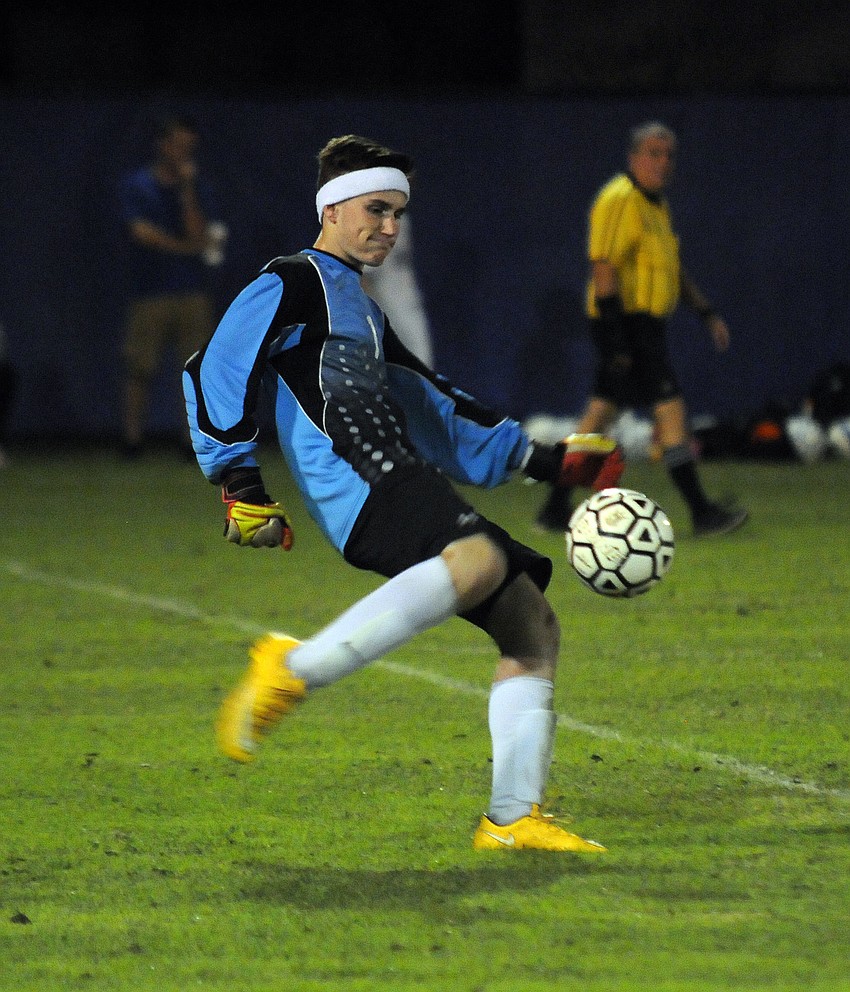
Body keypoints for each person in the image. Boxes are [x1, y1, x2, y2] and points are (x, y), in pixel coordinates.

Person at [183, 134, 625, 852]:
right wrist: (239, 483)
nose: (390, 228)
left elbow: (434, 405)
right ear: (331, 207)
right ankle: (292, 668)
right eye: (377, 210)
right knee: (478, 558)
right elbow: (218, 364)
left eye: (398, 215)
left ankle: (513, 819)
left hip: (396, 473)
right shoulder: (293, 279)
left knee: (530, 624)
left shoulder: (359, 307)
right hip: (360, 475)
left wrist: (549, 462)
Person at [536, 121, 749, 538]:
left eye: (668, 155)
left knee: (597, 419)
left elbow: (672, 270)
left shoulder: (657, 207)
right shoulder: (620, 199)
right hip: (623, 325)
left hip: (644, 328)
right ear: (633, 158)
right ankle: (702, 513)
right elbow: (603, 268)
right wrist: (616, 340)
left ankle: (554, 507)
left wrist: (705, 312)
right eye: (653, 153)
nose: (662, 163)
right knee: (670, 412)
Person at [117, 114, 226, 459]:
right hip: (148, 292)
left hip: (191, 291)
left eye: (188, 147)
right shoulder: (137, 185)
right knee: (139, 368)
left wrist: (187, 190)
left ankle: (190, 442)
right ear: (162, 145)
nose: (183, 153)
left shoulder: (197, 188)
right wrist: (184, 248)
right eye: (177, 145)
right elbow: (141, 233)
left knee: (193, 371)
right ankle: (132, 440)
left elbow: (199, 232)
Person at [361, 213, 435, 367]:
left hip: (404, 297)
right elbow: (363, 275)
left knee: (421, 359)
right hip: (381, 298)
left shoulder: (401, 218)